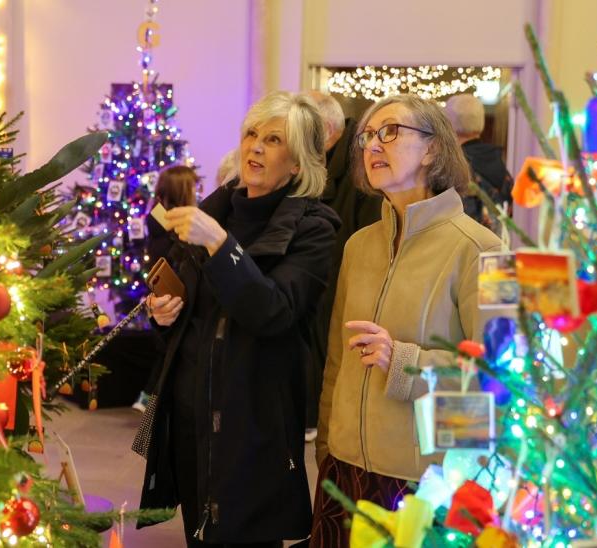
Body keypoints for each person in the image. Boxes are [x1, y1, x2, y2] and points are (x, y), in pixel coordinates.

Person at [136, 91, 340, 546]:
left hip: (253, 426)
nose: (255, 147)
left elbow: (275, 311)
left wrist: (222, 246)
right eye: (251, 134)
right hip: (190, 417)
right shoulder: (214, 210)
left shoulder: (314, 227)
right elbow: (187, 308)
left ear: (299, 162)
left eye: (273, 139)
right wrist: (164, 315)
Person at [312, 94, 503, 547]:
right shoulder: (359, 245)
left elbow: (501, 379)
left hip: (422, 483)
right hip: (344, 471)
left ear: (434, 148)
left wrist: (406, 362)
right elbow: (337, 363)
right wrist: (326, 448)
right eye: (368, 136)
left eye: (391, 132)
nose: (374, 145)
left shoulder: (485, 251)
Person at [302, 90, 383, 444]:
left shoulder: (358, 169)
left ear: (326, 131)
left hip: (345, 291)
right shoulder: (328, 163)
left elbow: (367, 243)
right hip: (326, 284)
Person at [134, 165, 200, 413]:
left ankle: (147, 397)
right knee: (168, 349)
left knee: (166, 349)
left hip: (163, 285)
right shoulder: (171, 223)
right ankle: (148, 398)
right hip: (170, 289)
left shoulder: (158, 217)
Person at [443, 93, 514, 229]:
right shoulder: (500, 160)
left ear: (448, 124)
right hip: (500, 246)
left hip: (467, 244)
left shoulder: (455, 166)